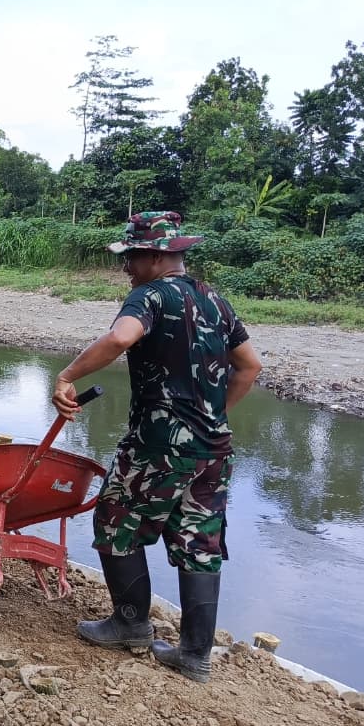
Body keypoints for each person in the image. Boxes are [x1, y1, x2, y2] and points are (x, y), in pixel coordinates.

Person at [50, 211, 262, 684]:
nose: (127, 267)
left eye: (132, 258)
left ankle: (130, 623)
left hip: (158, 445)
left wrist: (67, 376)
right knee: (199, 542)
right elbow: (249, 367)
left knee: (113, 518)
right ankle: (194, 655)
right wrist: (213, 416)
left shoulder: (149, 296)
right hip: (213, 450)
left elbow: (121, 337)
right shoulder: (216, 301)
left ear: (157, 256)